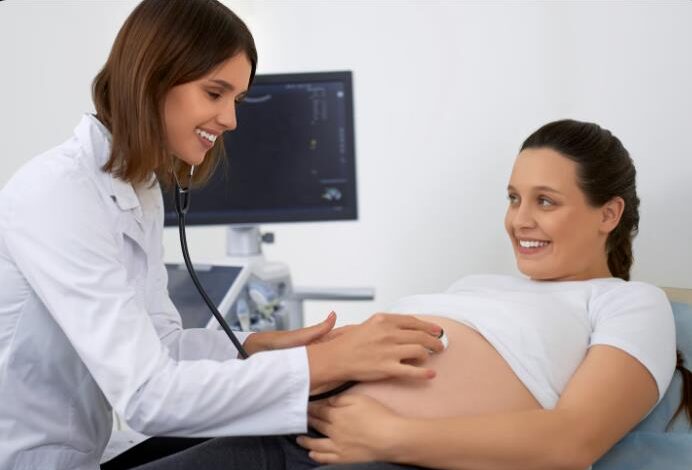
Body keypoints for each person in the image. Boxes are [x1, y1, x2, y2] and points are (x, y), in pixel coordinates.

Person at [0, 1, 445, 469]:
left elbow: (162, 345)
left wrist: (263, 346)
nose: (231, 119)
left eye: (236, 100)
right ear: (151, 78)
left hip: (78, 458)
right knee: (293, 448)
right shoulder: (58, 194)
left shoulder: (138, 188)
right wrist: (328, 364)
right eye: (215, 93)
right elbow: (148, 397)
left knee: (296, 433)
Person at [295, 119, 692, 469]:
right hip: (297, 420)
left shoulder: (630, 302)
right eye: (514, 198)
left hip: (397, 457)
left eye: (545, 201)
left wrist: (388, 435)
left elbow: (573, 440)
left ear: (608, 214)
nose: (519, 220)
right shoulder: (475, 285)